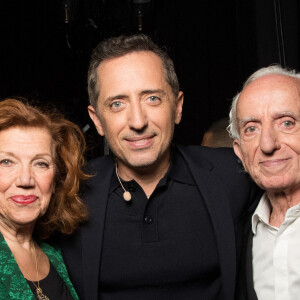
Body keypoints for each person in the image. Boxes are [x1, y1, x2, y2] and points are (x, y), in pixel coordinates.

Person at [60, 33, 262, 300]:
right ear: (97, 120)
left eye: (152, 98)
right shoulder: (68, 194)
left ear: (177, 107)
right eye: (117, 104)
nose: (137, 121)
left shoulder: (235, 176)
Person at [0, 98, 88, 299]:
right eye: (6, 162)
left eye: (40, 164)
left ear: (56, 178)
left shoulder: (59, 253)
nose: (25, 180)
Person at [228, 65, 300, 300]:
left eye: (287, 122)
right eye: (251, 129)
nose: (268, 144)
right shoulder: (236, 234)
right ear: (240, 152)